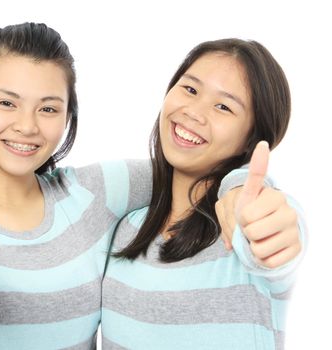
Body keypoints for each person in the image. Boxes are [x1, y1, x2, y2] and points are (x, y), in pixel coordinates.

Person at [0, 25, 300, 349]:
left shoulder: (91, 195)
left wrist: (240, 185)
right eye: (7, 102)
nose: (26, 126)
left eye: (48, 108)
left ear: (68, 115)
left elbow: (235, 202)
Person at [101, 38, 306, 350]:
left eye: (223, 106)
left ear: (251, 139)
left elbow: (277, 230)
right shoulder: (126, 227)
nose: (194, 112)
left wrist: (266, 226)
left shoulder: (241, 235)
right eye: (190, 89)